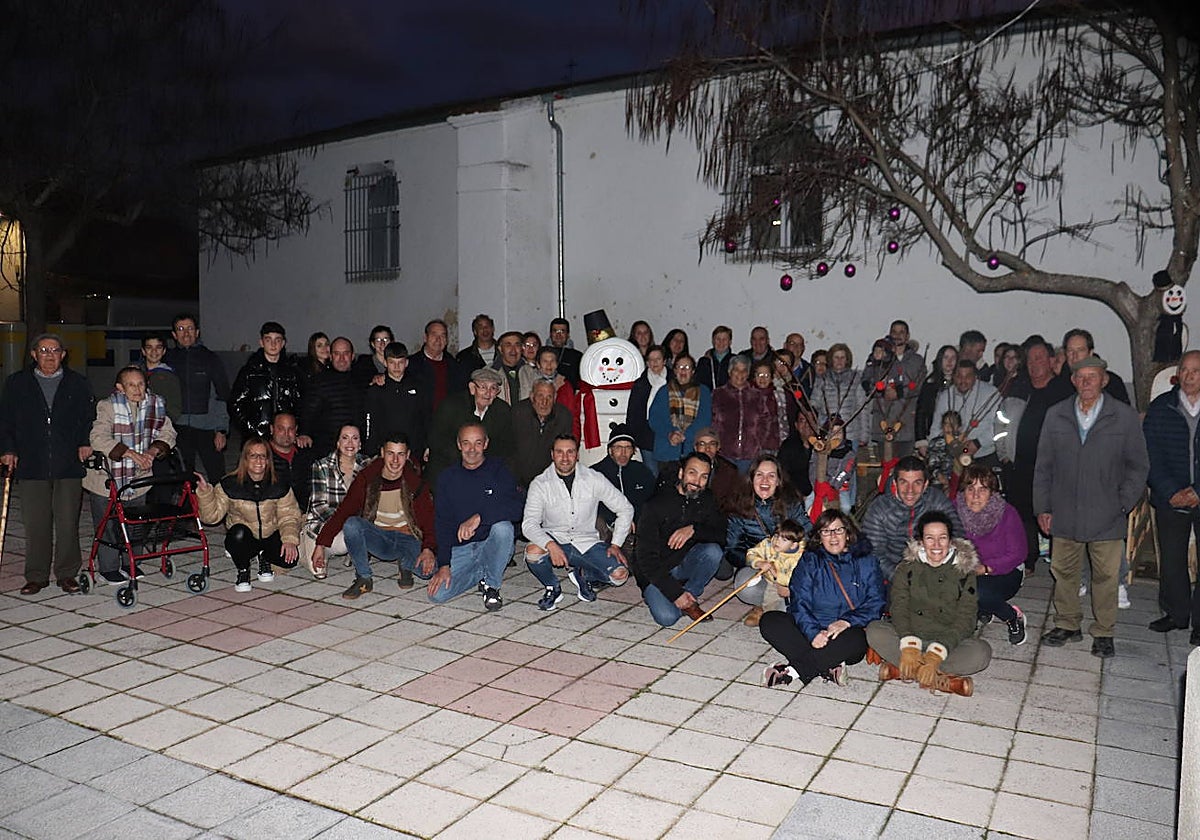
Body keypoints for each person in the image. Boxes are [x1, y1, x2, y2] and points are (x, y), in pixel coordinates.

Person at [1034, 355, 1149, 658]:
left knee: (1106, 576)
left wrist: (1123, 503)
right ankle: (1067, 623)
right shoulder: (1056, 414)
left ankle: (1104, 631)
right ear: (1073, 380)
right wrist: (1043, 507)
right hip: (1064, 510)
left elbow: (1138, 466)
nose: (1086, 382)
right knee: (1064, 571)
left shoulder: (1123, 416)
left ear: (1104, 380)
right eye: (1080, 377)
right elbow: (1044, 466)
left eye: (1092, 376)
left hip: (1107, 512)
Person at [0, 333, 94, 595]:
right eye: (43, 350)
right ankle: (36, 575)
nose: (49, 356)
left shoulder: (78, 383)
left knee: (67, 522)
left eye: (55, 351)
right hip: (31, 461)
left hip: (68, 462)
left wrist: (85, 441)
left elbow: (88, 417)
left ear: (63, 354)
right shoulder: (17, 383)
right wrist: (7, 449)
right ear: (33, 354)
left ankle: (67, 573)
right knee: (36, 523)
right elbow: (5, 420)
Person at [867, 511, 990, 696]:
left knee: (981, 653)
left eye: (942, 538)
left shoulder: (964, 572)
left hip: (947, 642)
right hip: (910, 637)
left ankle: (905, 671)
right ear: (921, 541)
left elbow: (967, 619)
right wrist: (909, 644)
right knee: (875, 630)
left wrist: (936, 654)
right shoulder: (907, 568)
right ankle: (941, 680)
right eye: (930, 538)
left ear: (950, 541)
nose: (936, 545)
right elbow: (899, 607)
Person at [760, 510, 885, 689]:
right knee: (770, 620)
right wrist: (813, 633)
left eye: (838, 530)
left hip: (845, 633)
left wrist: (846, 621)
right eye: (826, 531)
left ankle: (792, 672)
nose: (833, 536)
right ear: (819, 537)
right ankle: (827, 665)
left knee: (857, 639)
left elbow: (876, 603)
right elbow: (799, 601)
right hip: (811, 629)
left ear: (848, 533)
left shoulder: (866, 561)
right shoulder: (810, 560)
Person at [83, 367, 177, 584]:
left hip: (139, 476)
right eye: (131, 385)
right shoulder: (107, 406)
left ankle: (131, 562)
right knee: (107, 525)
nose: (137, 389)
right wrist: (130, 454)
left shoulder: (155, 404)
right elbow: (98, 437)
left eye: (141, 384)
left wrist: (152, 452)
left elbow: (168, 432)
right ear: (120, 388)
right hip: (107, 477)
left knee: (135, 522)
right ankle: (108, 568)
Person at [315, 434, 437, 598]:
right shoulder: (367, 478)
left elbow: (429, 521)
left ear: (407, 455)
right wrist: (321, 544)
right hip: (380, 538)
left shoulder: (415, 483)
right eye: (390, 453)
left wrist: (428, 549)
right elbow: (344, 511)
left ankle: (405, 564)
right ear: (382, 453)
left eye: (400, 454)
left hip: (408, 538)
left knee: (428, 572)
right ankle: (364, 577)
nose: (395, 460)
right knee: (351, 525)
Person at [522, 434, 635, 609]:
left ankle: (583, 574)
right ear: (552, 454)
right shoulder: (540, 483)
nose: (565, 458)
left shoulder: (594, 478)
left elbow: (625, 508)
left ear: (577, 455)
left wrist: (616, 544)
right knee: (533, 552)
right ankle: (552, 587)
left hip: (586, 542)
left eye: (570, 452)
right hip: (556, 538)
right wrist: (550, 544)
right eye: (559, 452)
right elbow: (529, 524)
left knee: (619, 576)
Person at [431, 422, 523, 610]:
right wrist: (444, 565)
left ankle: (492, 586)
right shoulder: (447, 478)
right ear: (459, 444)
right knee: (437, 595)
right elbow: (442, 523)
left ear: (486, 443)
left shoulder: (499, 471)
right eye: (466, 443)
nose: (472, 449)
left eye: (478, 443)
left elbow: (517, 508)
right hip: (461, 548)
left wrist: (480, 517)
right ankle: (483, 572)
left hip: (490, 544)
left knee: (503, 528)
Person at [1002, 335, 1074, 573]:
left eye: (1039, 358)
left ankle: (1060, 562)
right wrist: (1005, 453)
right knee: (1022, 513)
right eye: (1030, 360)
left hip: (1054, 467)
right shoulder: (1020, 388)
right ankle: (1027, 560)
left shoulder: (1063, 391)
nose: (1034, 364)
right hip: (1021, 464)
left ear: (1051, 361)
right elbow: (1003, 422)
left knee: (1053, 513)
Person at [631, 452, 727, 626]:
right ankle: (673, 596)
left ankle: (690, 595)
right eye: (692, 473)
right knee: (667, 618)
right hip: (655, 571)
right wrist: (675, 594)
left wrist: (694, 529)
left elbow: (722, 534)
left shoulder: (707, 499)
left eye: (704, 476)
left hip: (682, 564)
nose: (697, 481)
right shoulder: (655, 505)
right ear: (681, 473)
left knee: (713, 552)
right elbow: (645, 559)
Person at [195, 437, 302, 592]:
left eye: (263, 456)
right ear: (245, 459)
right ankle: (243, 569)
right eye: (253, 456)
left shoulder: (279, 484)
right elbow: (211, 518)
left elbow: (289, 516)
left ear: (268, 460)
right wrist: (205, 494)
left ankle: (264, 557)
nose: (258, 460)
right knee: (238, 533)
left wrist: (289, 540)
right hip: (245, 538)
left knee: (289, 560)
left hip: (269, 535)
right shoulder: (229, 484)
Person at [1144, 350, 1200, 646]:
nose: (1189, 376)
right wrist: (1170, 491)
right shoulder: (1162, 407)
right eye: (1185, 370)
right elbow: (1150, 455)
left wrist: (1197, 491)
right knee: (1172, 558)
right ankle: (1176, 613)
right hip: (1172, 496)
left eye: (1196, 371)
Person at [723, 454, 812, 623]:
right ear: (751, 479)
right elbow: (732, 549)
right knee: (744, 584)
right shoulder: (739, 505)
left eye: (771, 475)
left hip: (790, 567)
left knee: (789, 611)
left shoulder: (791, 503)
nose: (765, 480)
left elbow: (808, 535)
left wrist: (790, 571)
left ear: (778, 481)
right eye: (759, 475)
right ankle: (763, 605)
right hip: (761, 567)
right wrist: (757, 562)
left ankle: (781, 604)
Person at [955, 464, 1028, 645]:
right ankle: (982, 609)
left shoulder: (1007, 513)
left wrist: (986, 568)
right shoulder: (953, 511)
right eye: (970, 489)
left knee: (977, 591)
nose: (976, 496)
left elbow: (1018, 553)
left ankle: (1012, 617)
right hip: (968, 570)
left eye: (983, 489)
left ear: (992, 493)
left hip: (1006, 571)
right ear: (963, 491)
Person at [862, 455, 960, 581]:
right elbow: (874, 553)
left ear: (925, 484)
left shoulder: (936, 500)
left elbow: (957, 535)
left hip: (936, 568)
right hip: (895, 572)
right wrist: (903, 578)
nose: (910, 490)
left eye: (917, 483)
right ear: (895, 483)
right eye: (904, 482)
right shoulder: (879, 508)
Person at [165, 313, 230, 482]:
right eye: (181, 329)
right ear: (174, 334)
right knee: (183, 478)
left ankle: (219, 500)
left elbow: (222, 395)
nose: (186, 333)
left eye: (190, 328)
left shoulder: (210, 359)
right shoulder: (168, 359)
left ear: (197, 332)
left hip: (207, 427)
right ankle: (187, 500)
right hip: (177, 427)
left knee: (217, 475)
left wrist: (221, 430)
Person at [299, 424, 368, 579]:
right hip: (323, 524)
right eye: (345, 438)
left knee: (354, 532)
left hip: (351, 523)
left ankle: (349, 550)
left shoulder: (367, 465)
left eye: (355, 438)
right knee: (318, 571)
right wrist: (344, 522)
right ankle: (317, 546)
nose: (350, 443)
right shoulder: (321, 466)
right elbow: (319, 507)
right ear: (338, 443)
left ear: (360, 444)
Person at [426, 367, 514, 486]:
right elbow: (436, 439)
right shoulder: (451, 406)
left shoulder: (502, 410)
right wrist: (468, 461)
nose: (488, 393)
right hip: (449, 466)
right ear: (472, 388)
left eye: (493, 388)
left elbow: (505, 446)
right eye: (483, 387)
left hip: (486, 470)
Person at [810, 342, 868, 511]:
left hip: (850, 432)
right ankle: (825, 499)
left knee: (849, 470)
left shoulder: (855, 379)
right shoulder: (822, 379)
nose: (840, 361)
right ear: (831, 359)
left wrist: (864, 434)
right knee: (826, 466)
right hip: (828, 432)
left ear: (847, 359)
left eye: (843, 357)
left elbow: (862, 407)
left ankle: (849, 505)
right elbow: (814, 403)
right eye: (836, 357)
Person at [230, 321, 303, 441]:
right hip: (257, 438)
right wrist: (252, 430)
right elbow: (235, 404)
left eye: (277, 340)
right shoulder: (249, 371)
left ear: (283, 343)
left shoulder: (293, 373)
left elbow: (301, 404)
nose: (273, 344)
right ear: (261, 342)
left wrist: (294, 430)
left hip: (285, 438)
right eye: (268, 340)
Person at [862, 320, 926, 458]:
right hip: (883, 422)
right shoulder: (876, 357)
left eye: (901, 332)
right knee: (885, 465)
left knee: (905, 465)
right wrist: (881, 391)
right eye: (894, 332)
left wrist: (899, 392)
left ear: (907, 336)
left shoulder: (916, 360)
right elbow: (866, 381)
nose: (897, 335)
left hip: (906, 423)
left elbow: (919, 385)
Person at [299, 336, 364, 458]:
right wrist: (304, 433)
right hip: (325, 451)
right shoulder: (318, 382)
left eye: (346, 353)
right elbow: (308, 413)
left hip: (356, 451)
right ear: (330, 356)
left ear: (352, 356)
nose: (341, 358)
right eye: (337, 354)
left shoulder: (362, 381)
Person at [930, 359, 1001, 469]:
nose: (963, 380)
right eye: (959, 376)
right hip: (954, 458)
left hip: (984, 454)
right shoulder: (946, 396)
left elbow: (998, 425)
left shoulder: (991, 393)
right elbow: (936, 426)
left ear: (975, 377)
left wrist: (978, 442)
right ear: (953, 376)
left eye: (968, 376)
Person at [593, 425, 656, 545]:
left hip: (636, 529)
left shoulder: (642, 471)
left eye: (628, 448)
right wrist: (619, 521)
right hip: (606, 529)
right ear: (610, 450)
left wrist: (636, 521)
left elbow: (652, 501)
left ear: (633, 451)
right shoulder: (596, 473)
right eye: (618, 448)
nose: (623, 453)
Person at [711, 354, 775, 471]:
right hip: (724, 455)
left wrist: (758, 442)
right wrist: (716, 443)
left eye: (744, 370)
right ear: (730, 371)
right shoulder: (717, 394)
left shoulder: (757, 396)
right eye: (736, 369)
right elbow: (711, 422)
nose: (740, 374)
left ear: (748, 373)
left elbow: (765, 421)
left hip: (750, 457)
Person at [363, 342, 426, 458]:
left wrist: (426, 446)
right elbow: (370, 423)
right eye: (392, 362)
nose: (396, 367)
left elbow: (425, 418)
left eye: (400, 362)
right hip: (385, 452)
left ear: (406, 363)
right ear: (385, 363)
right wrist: (371, 451)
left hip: (413, 451)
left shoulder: (418, 387)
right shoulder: (376, 390)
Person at [648, 353, 711, 466]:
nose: (683, 371)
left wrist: (686, 435)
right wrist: (670, 434)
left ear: (693, 371)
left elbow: (705, 419)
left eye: (687, 367)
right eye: (680, 367)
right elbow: (655, 419)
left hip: (692, 450)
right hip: (666, 450)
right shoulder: (664, 391)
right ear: (675, 370)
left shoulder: (704, 392)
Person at [511, 379, 573, 486]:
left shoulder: (563, 416)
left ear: (555, 398)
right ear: (532, 397)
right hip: (517, 480)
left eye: (549, 397)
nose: (544, 402)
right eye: (540, 396)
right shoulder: (518, 413)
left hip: (549, 481)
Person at [745, 518, 805, 620]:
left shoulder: (802, 556)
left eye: (784, 540)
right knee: (769, 602)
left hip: (792, 589)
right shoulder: (768, 544)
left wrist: (776, 574)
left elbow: (796, 579)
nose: (777, 541)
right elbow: (751, 553)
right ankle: (765, 614)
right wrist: (759, 562)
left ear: (793, 545)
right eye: (777, 536)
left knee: (789, 611)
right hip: (770, 582)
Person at [407, 318, 467, 412]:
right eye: (434, 335)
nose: (438, 340)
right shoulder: (410, 365)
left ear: (446, 341)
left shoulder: (454, 366)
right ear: (425, 338)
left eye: (442, 336)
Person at [1057, 328, 1131, 404]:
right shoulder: (1056, 386)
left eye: (1080, 350)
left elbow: (1124, 410)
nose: (1075, 356)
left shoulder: (1112, 382)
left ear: (1090, 353)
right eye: (1070, 350)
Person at [626, 345, 668, 475]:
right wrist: (632, 437)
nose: (654, 363)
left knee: (668, 474)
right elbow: (633, 413)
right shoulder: (640, 384)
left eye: (658, 359)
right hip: (647, 437)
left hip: (669, 436)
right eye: (651, 359)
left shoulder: (674, 381)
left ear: (664, 361)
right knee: (652, 473)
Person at [266, 412, 316, 511]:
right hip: (274, 513)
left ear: (296, 430)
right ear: (272, 429)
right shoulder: (262, 455)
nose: (286, 434)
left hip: (306, 512)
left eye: (291, 429)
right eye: (281, 429)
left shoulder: (306, 453)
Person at [914, 345, 957, 444]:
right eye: (946, 357)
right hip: (935, 434)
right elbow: (921, 412)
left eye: (953, 358)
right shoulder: (930, 383)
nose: (949, 361)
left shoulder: (961, 383)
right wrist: (921, 440)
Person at [691, 427, 741, 508]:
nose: (707, 448)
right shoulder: (685, 467)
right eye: (702, 444)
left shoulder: (729, 471)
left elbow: (733, 502)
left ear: (718, 447)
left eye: (712, 444)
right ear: (695, 447)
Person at [139, 333, 181, 422]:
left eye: (158, 347)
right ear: (143, 351)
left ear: (164, 351)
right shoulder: (135, 373)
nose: (154, 351)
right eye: (149, 347)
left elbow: (174, 407)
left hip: (160, 423)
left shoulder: (170, 377)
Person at [925, 410, 961, 490]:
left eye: (952, 424)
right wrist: (939, 476)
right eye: (945, 424)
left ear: (958, 427)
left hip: (958, 479)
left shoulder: (962, 442)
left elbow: (966, 454)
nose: (948, 427)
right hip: (939, 480)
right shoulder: (935, 442)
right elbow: (931, 464)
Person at [546, 318, 583, 387]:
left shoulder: (577, 356)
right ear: (550, 334)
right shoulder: (541, 354)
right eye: (555, 331)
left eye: (562, 331)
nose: (558, 335)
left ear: (568, 335)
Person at [695, 325, 734, 391]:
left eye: (724, 339)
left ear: (730, 342)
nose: (721, 342)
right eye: (718, 339)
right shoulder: (704, 361)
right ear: (713, 341)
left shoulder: (735, 361)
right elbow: (698, 384)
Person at [491, 331, 525, 404]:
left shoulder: (530, 372)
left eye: (517, 345)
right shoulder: (489, 373)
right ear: (500, 349)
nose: (513, 350)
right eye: (508, 345)